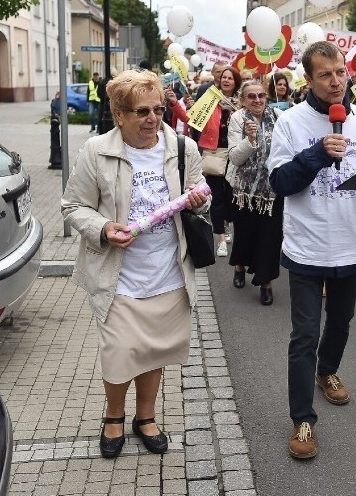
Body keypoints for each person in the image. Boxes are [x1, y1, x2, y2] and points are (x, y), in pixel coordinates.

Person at [267, 41, 356, 460]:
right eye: (325, 74)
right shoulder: (290, 122)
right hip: (307, 246)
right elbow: (279, 184)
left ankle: (327, 371)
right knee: (304, 334)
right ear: (308, 79)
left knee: (341, 322)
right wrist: (314, 155)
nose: (335, 81)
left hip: (350, 243)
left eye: (340, 72)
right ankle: (302, 420)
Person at [61, 68, 211, 458]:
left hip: (169, 270)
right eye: (141, 111)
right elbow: (73, 205)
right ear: (119, 115)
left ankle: (146, 417)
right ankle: (114, 415)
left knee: (154, 351)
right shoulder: (97, 151)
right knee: (120, 351)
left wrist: (200, 200)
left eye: (158, 109)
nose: (153, 119)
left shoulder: (182, 149)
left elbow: (200, 195)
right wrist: (104, 227)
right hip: (119, 275)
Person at [227, 80, 284, 306]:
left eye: (261, 95)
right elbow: (234, 158)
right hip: (244, 189)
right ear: (242, 100)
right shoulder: (237, 119)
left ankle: (266, 283)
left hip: (272, 190)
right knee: (245, 234)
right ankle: (240, 266)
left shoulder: (278, 116)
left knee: (270, 238)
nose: (257, 100)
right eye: (251, 96)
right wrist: (250, 140)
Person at [193, 66, 240, 257]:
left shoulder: (243, 103)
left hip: (236, 155)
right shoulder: (210, 100)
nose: (226, 80)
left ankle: (227, 224)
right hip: (214, 153)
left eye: (230, 78)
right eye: (223, 77)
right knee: (217, 198)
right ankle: (220, 238)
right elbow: (194, 121)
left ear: (236, 82)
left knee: (230, 196)